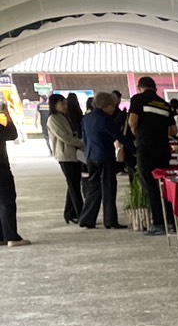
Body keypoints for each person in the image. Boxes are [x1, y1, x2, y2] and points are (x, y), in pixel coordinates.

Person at [127, 77, 174, 235]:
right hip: (163, 149)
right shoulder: (165, 104)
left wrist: (138, 134)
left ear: (140, 88)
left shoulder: (138, 99)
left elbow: (132, 121)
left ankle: (159, 223)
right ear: (155, 88)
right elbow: (173, 131)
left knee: (151, 186)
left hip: (146, 148)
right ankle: (171, 221)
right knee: (164, 185)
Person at [78, 93, 125, 230]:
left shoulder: (86, 118)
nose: (113, 109)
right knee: (109, 188)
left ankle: (87, 219)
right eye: (112, 106)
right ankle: (110, 221)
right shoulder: (106, 119)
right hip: (105, 156)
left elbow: (84, 138)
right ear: (105, 105)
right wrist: (135, 149)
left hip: (91, 157)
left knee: (94, 187)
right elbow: (119, 136)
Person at [47, 93, 85, 224]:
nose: (65, 106)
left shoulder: (64, 116)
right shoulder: (53, 119)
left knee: (73, 184)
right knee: (74, 185)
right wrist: (81, 143)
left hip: (73, 155)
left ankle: (69, 213)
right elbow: (64, 137)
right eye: (62, 103)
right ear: (54, 105)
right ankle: (81, 214)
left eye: (65, 103)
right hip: (65, 155)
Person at [0, 102, 23, 246]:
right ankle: (11, 237)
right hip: (1, 169)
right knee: (7, 202)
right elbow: (12, 134)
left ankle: (2, 236)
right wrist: (6, 114)